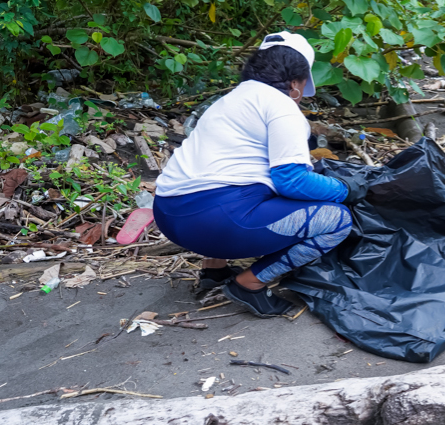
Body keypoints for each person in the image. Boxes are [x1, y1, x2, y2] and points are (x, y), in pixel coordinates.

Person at [153, 32, 367, 317]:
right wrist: (345, 189)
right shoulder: (282, 108)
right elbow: (292, 180)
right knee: (337, 220)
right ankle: (250, 284)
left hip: (168, 213)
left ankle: (213, 270)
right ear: (294, 82)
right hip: (212, 222)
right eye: (303, 86)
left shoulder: (230, 101)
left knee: (236, 186)